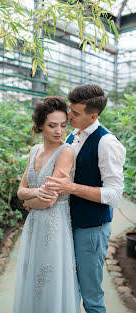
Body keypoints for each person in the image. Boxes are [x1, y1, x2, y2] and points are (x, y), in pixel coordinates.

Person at [36, 85, 126, 313]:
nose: (68, 116)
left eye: (75, 113)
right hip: (67, 225)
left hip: (91, 229)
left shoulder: (106, 143)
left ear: (93, 116)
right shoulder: (72, 134)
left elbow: (115, 194)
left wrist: (72, 187)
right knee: (68, 290)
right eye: (70, 110)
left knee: (91, 297)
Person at [12, 96, 81, 313]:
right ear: (40, 124)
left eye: (63, 125)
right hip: (34, 225)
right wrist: (33, 196)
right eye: (52, 125)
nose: (59, 131)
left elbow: (50, 200)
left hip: (54, 226)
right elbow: (20, 191)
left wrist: (29, 200)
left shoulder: (66, 151)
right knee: (31, 276)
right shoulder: (34, 151)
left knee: (49, 280)